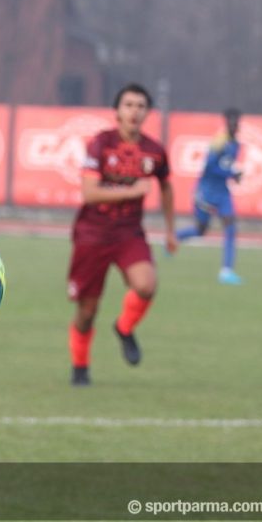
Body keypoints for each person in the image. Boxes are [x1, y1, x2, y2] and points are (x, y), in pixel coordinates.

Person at [66, 83, 177, 387]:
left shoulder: (154, 150)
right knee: (87, 311)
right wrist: (132, 190)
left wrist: (170, 230)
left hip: (129, 233)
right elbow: (89, 192)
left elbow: (166, 186)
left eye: (141, 106)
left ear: (146, 113)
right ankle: (80, 367)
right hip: (92, 234)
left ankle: (124, 327)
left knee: (146, 285)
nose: (134, 111)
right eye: (128, 105)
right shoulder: (101, 144)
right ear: (117, 111)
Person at [175, 108, 244, 285]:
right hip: (207, 192)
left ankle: (226, 271)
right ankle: (174, 237)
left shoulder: (236, 144)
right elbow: (208, 168)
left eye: (237, 120)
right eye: (231, 119)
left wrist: (233, 174)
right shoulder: (218, 142)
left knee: (230, 227)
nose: (234, 123)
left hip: (223, 194)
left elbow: (225, 166)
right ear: (226, 121)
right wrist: (230, 173)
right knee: (201, 230)